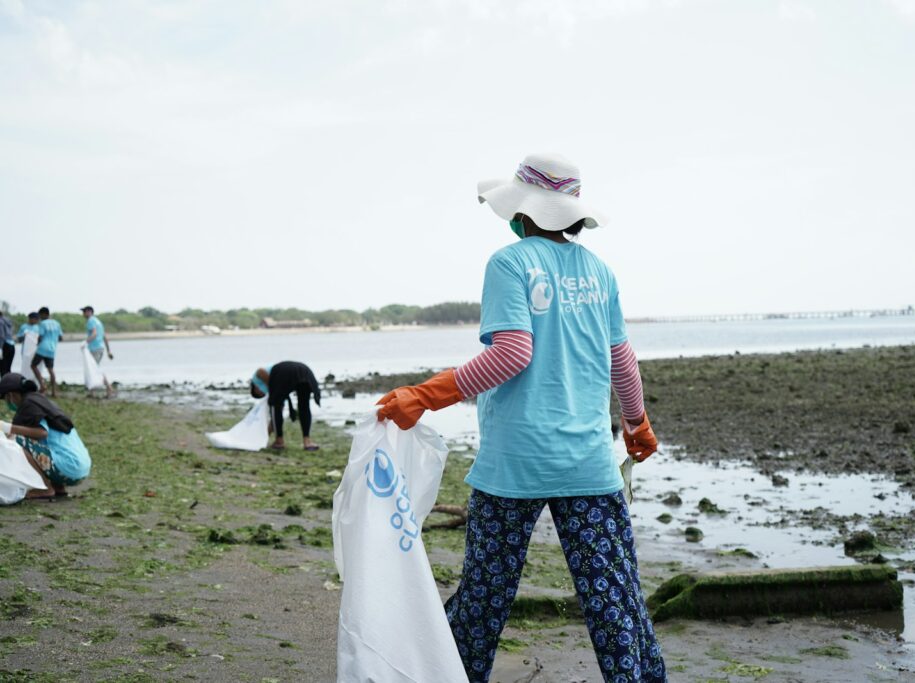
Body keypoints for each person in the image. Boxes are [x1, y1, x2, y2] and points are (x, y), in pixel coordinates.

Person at [376, 153, 665, 682]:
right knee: (615, 603)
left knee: (484, 599)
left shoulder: (509, 263)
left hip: (514, 466)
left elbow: (512, 354)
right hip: (587, 467)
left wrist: (425, 394)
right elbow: (620, 357)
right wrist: (636, 424)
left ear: (522, 212)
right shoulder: (600, 271)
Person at [0, 372, 91, 500]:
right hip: (81, 468)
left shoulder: (29, 405)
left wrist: (5, 427)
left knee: (18, 441)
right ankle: (58, 487)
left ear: (11, 395)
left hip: (66, 467)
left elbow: (42, 432)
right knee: (43, 446)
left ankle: (45, 488)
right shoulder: (42, 403)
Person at [249, 361, 321, 451]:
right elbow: (275, 416)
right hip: (305, 371)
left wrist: (274, 395)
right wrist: (264, 434)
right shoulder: (276, 380)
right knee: (304, 406)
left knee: (276, 406)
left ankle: (279, 441)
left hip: (287, 372)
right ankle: (307, 442)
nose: (262, 394)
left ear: (254, 388)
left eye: (258, 394)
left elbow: (260, 371)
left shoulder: (257, 377)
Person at [81, 306, 114, 398]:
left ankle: (109, 388)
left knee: (95, 369)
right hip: (100, 348)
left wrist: (85, 342)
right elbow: (104, 337)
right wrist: (108, 351)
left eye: (84, 311)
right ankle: (92, 392)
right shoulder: (98, 322)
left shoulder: (91, 321)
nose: (83, 314)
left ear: (89, 312)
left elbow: (94, 334)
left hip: (94, 348)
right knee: (94, 368)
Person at [31, 307, 63, 397]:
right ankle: (54, 392)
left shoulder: (43, 323)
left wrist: (37, 344)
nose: (40, 317)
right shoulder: (57, 323)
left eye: (40, 315)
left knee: (33, 365)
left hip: (42, 348)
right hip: (52, 349)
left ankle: (42, 385)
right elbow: (60, 338)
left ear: (44, 314)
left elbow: (40, 336)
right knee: (51, 370)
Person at [0, 311, 13, 376]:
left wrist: (1, 348)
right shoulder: (7, 320)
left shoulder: (0, 322)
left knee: (3, 368)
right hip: (11, 344)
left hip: (4, 345)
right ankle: (8, 383)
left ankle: (3, 385)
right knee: (8, 368)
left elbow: (1, 336)